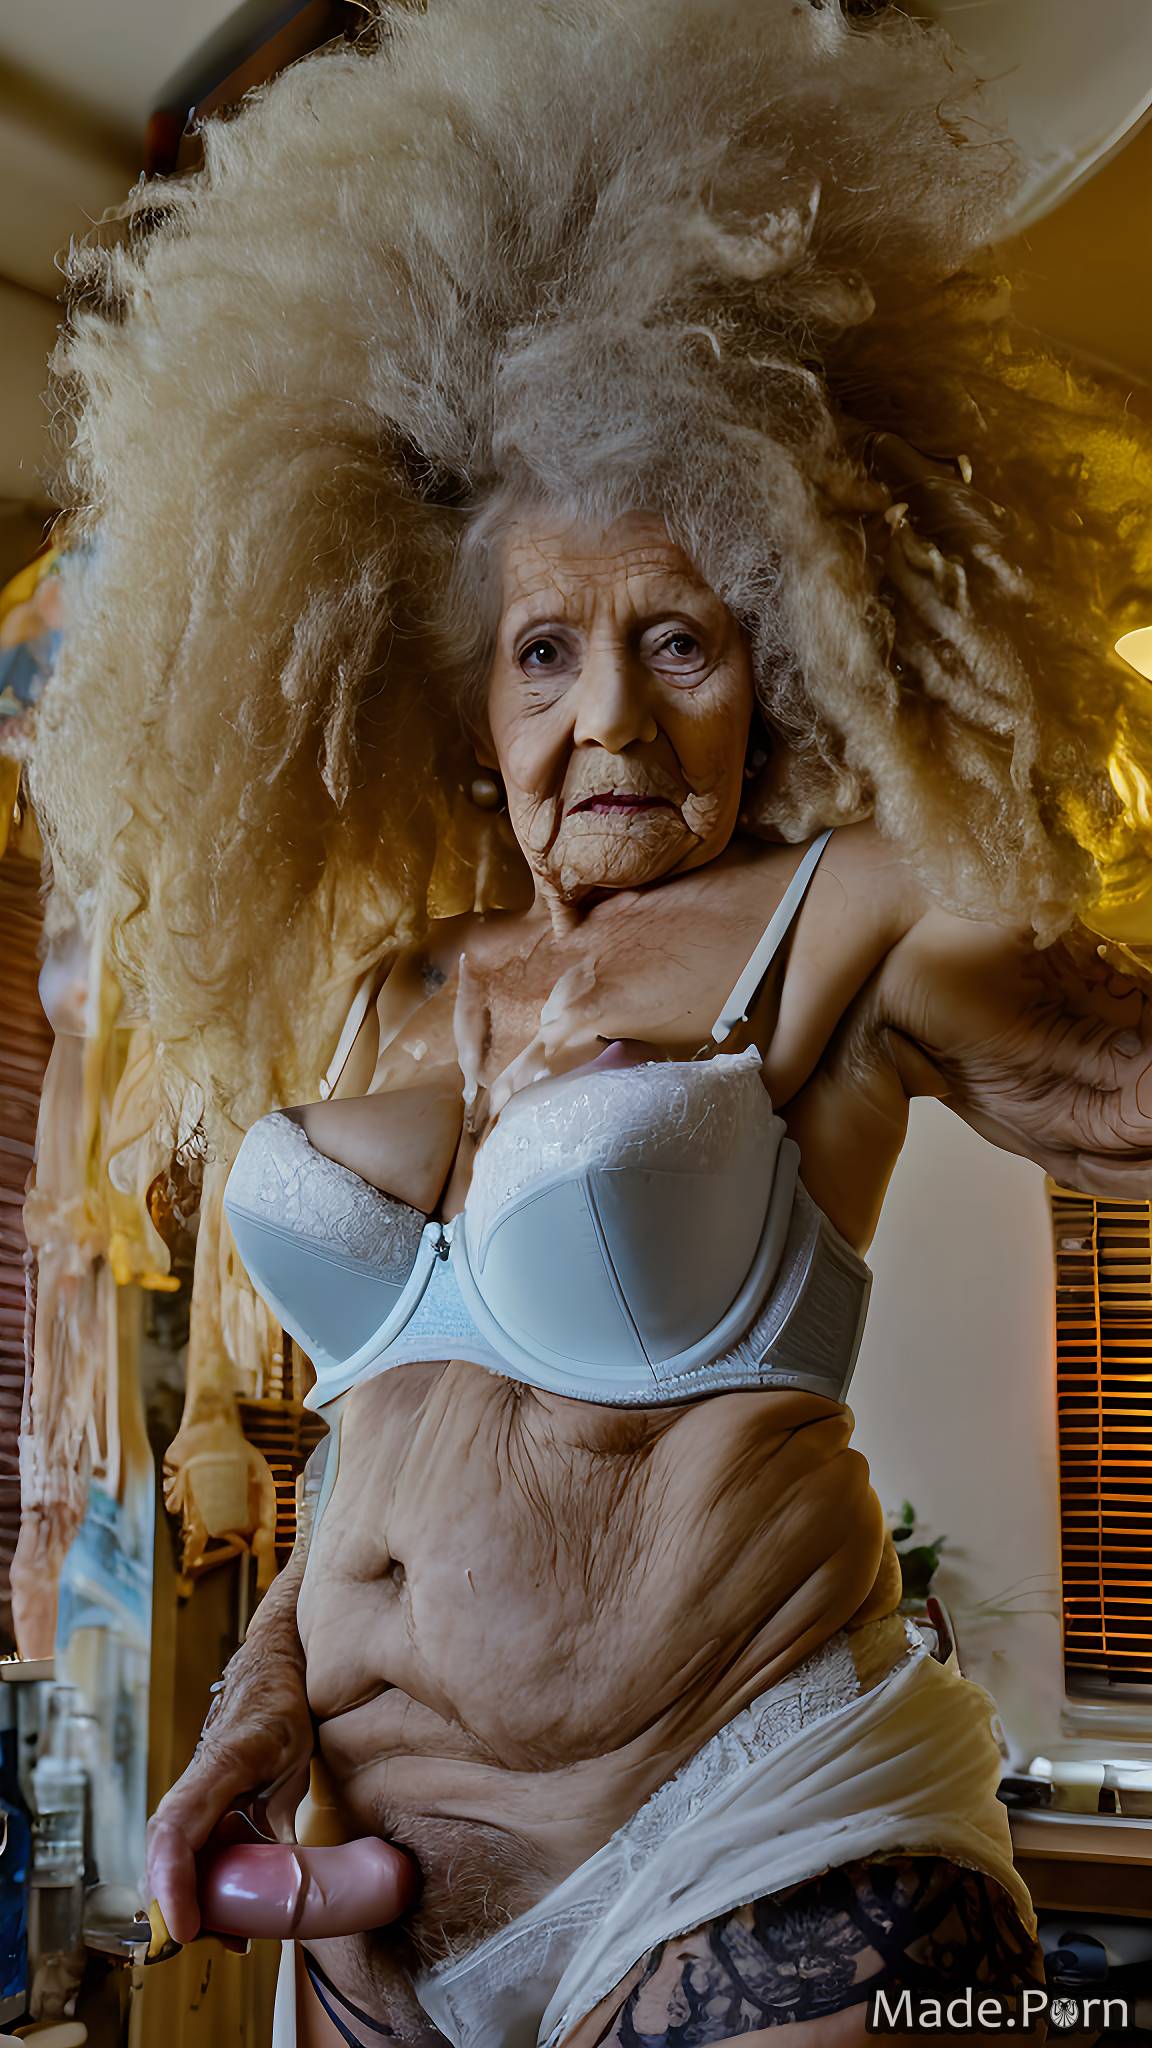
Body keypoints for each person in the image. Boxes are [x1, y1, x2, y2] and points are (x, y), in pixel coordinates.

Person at [28, 1, 1152, 2042]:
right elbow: (377, 1452)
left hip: (755, 1845)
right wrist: (258, 1699)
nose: (610, 713)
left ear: (777, 671)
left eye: (680, 643)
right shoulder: (398, 986)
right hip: (372, 1919)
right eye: (546, 648)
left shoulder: (851, 916)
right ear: (465, 694)